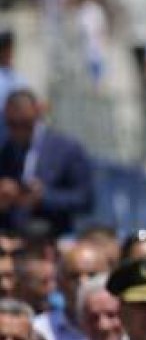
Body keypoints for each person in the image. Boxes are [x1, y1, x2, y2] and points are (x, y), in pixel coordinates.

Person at [0, 90, 94, 237]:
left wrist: (44, 197)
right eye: (12, 124)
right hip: (12, 236)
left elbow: (85, 199)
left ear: (37, 114)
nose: (19, 131)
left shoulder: (66, 149)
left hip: (53, 234)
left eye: (25, 123)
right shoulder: (5, 150)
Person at [33, 240, 110, 340]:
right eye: (74, 276)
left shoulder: (126, 327)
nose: (83, 283)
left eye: (92, 275)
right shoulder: (38, 330)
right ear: (59, 283)